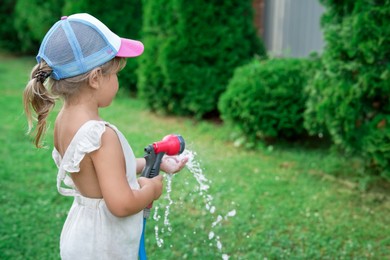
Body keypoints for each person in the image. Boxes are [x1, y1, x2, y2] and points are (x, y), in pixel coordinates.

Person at [23, 13, 188, 259]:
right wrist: (150, 189)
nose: (117, 82)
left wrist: (156, 163)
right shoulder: (101, 135)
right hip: (104, 245)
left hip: (81, 235)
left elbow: (103, 174)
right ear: (96, 78)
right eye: (115, 74)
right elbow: (121, 204)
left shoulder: (64, 121)